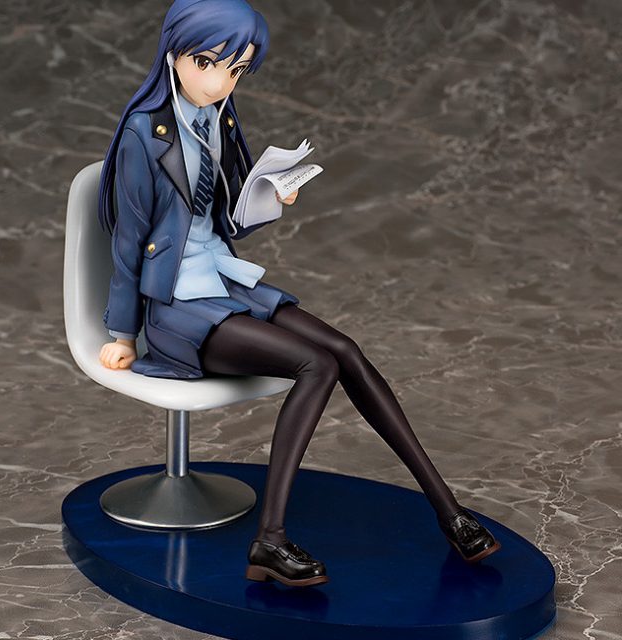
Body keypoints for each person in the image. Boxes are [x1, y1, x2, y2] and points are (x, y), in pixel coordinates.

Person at [97, 0, 500, 588]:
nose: (221, 82)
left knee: (346, 350)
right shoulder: (144, 131)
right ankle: (270, 539)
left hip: (226, 280)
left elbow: (225, 220)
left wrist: (267, 197)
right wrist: (122, 334)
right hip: (177, 306)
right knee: (317, 365)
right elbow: (129, 238)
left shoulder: (218, 119)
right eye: (210, 63)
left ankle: (449, 511)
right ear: (175, 53)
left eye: (237, 71)